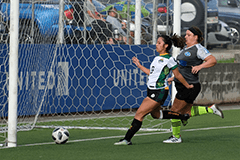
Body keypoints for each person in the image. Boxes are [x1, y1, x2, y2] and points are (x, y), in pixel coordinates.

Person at [114, 34, 194, 145]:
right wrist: (139, 66)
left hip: (159, 91)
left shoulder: (169, 59)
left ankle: (127, 139)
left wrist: (187, 85)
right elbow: (151, 74)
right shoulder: (157, 58)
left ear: (166, 46)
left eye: (159, 43)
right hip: (151, 90)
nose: (156, 45)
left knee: (139, 114)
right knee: (156, 115)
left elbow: (178, 75)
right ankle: (182, 116)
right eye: (157, 42)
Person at [163, 26, 224, 144]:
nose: (185, 36)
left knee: (174, 111)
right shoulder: (186, 48)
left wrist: (200, 66)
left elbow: (212, 60)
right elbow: (182, 68)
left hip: (189, 86)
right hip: (183, 84)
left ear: (195, 37)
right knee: (186, 113)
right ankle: (211, 109)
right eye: (186, 34)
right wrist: (174, 77)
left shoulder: (198, 49)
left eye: (188, 35)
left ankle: (176, 137)